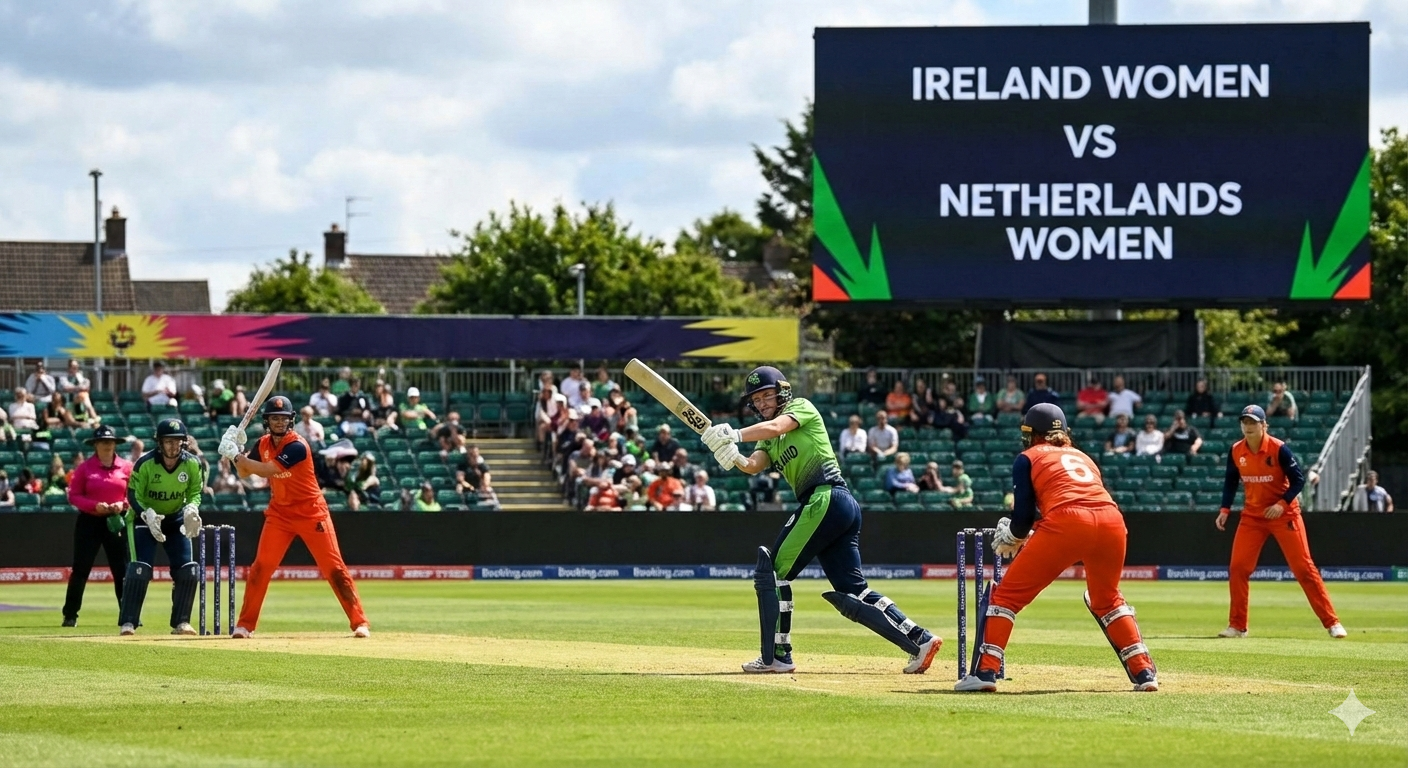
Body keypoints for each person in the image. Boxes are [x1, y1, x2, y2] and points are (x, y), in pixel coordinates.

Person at [701, 366, 941, 675]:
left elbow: (776, 427)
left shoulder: (801, 407)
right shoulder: (767, 441)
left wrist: (734, 434)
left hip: (826, 497)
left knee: (772, 573)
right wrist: (730, 454)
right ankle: (920, 640)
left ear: (781, 392)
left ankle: (777, 655)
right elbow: (752, 465)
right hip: (836, 506)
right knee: (853, 590)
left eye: (766, 396)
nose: (761, 404)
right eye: (755, 400)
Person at [957, 403, 1159, 693]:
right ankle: (1144, 672)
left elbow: (1024, 517)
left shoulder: (1027, 457)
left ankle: (986, 672)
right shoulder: (1083, 456)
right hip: (1112, 522)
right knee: (1107, 599)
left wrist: (1014, 535)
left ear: (1031, 433)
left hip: (1068, 522)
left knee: (1006, 597)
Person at [219, 396, 370, 638]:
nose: (279, 422)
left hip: (311, 512)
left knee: (333, 567)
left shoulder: (297, 446)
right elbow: (246, 472)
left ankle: (359, 622)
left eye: (283, 418)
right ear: (267, 421)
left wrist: (236, 455)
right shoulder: (263, 443)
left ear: (291, 421)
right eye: (274, 418)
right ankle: (245, 625)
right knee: (261, 568)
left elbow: (270, 470)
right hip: (280, 514)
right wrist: (234, 452)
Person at [1215, 405, 1343, 639]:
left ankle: (1332, 622)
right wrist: (1225, 509)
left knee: (1303, 568)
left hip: (1284, 515)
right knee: (1238, 568)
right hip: (1252, 516)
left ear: (1264, 425)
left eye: (1253, 422)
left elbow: (1298, 480)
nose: (1248, 426)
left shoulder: (1279, 449)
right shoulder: (1236, 450)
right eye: (1245, 422)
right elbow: (1231, 482)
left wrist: (1281, 504)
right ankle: (1237, 626)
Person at [118, 418, 205, 636]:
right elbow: (132, 494)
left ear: (183, 443)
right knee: (140, 569)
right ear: (160, 443)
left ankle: (181, 622)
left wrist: (191, 509)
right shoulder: (145, 464)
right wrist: (146, 514)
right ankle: (129, 622)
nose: (173, 446)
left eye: (177, 442)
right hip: (143, 518)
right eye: (168, 441)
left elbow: (195, 492)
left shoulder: (192, 464)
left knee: (188, 569)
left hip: (175, 518)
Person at [61, 425, 132, 627]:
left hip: (116, 521)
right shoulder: (85, 468)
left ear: (115, 444)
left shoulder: (126, 467)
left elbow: (133, 494)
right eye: (102, 442)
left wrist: (123, 504)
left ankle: (128, 615)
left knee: (122, 570)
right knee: (81, 569)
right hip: (90, 522)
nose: (107, 445)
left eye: (110, 441)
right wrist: (95, 506)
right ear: (96, 445)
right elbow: (74, 496)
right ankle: (70, 615)